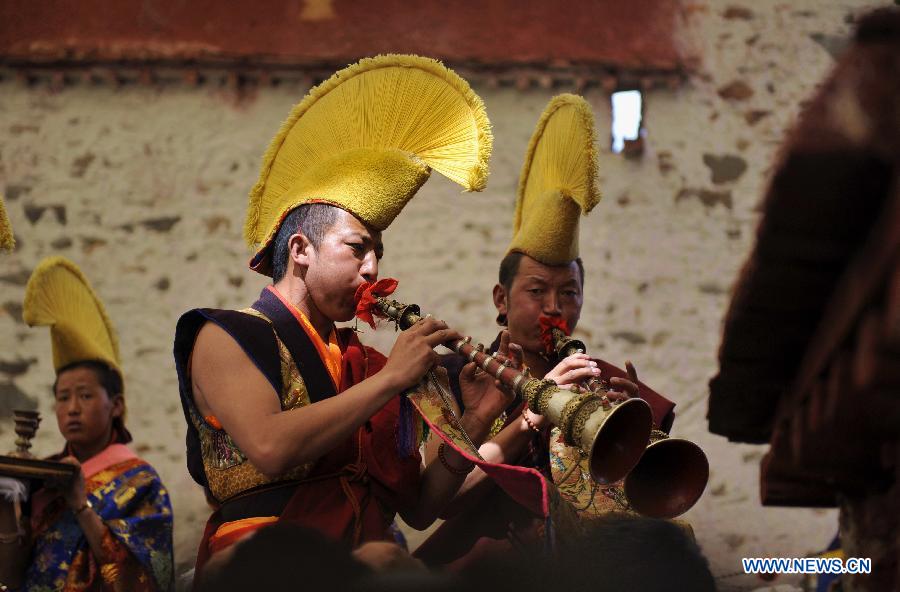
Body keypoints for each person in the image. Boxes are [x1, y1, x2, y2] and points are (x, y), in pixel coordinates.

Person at [173, 54, 509, 574]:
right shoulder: (227, 335)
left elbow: (419, 508)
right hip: (260, 569)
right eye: (357, 248)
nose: (373, 267)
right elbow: (270, 447)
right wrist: (394, 378)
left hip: (359, 567)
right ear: (302, 249)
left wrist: (477, 417)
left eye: (379, 252)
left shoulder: (364, 363)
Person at [415, 95, 677, 566]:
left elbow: (631, 510)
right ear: (501, 299)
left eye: (569, 293)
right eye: (537, 291)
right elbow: (440, 504)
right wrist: (534, 413)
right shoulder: (460, 374)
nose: (555, 307)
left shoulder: (600, 380)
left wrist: (626, 436)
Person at [0, 256, 173, 591]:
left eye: (85, 396)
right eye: (63, 397)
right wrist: (7, 509)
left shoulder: (140, 482)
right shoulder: (45, 478)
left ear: (116, 405)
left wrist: (80, 503)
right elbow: (9, 576)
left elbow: (144, 578)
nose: (72, 408)